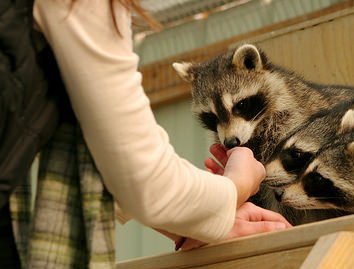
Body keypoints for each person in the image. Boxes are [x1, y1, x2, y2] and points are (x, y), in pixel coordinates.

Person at [33, 0, 291, 247]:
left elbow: (100, 166)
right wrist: (236, 186)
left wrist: (198, 220)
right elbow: (141, 176)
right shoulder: (83, 9)